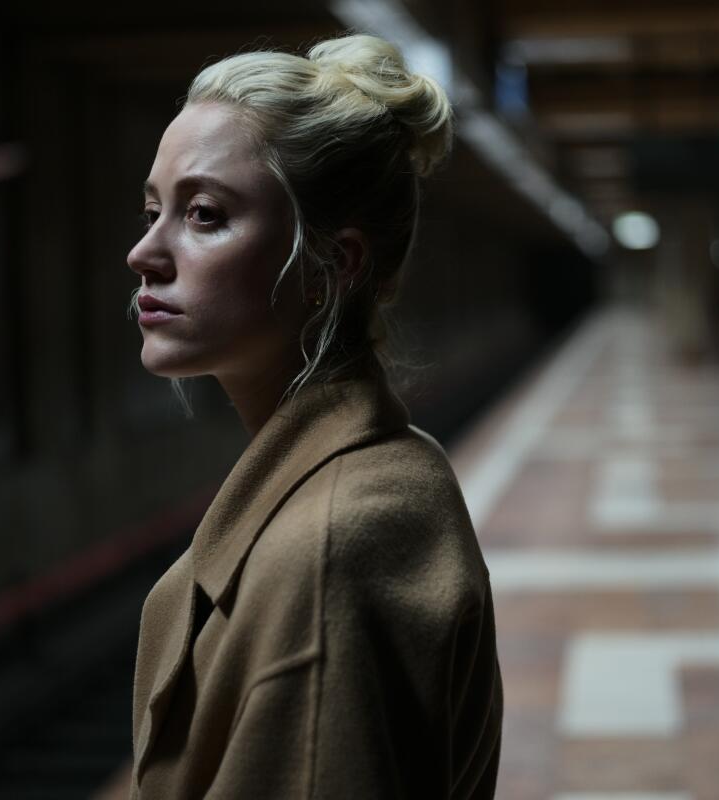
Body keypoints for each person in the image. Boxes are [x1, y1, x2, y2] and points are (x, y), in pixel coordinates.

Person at [123, 33, 503, 799]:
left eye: (202, 214)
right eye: (154, 210)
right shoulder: (378, 472)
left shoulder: (331, 551)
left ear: (336, 264)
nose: (143, 252)